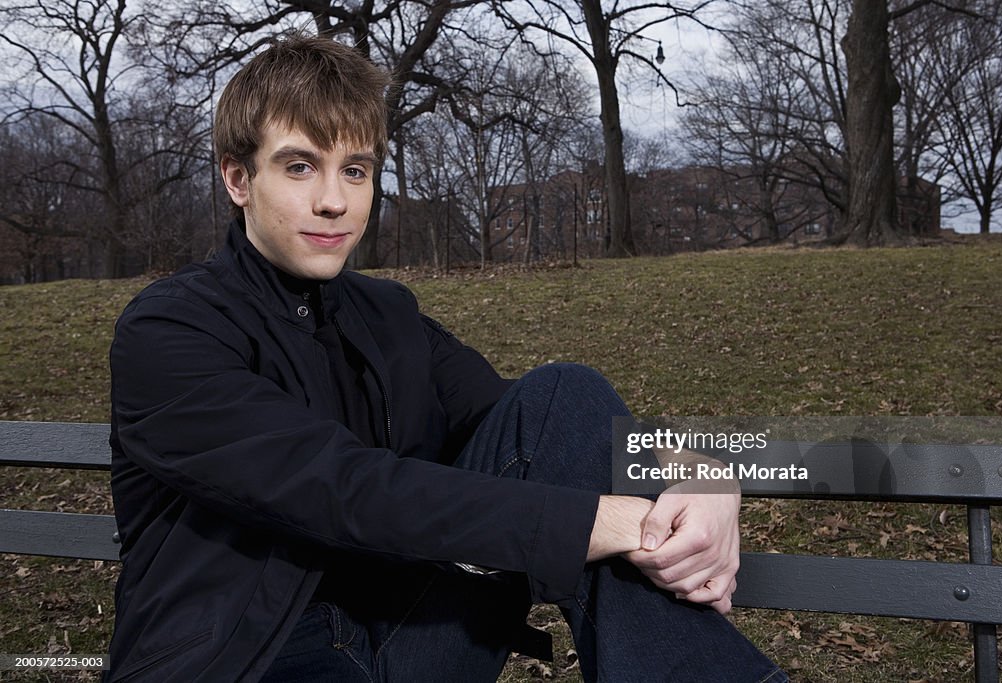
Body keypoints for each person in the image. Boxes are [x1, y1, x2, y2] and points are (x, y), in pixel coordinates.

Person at [105, 33, 786, 683]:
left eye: (356, 170)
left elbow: (545, 428)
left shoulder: (386, 315)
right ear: (237, 179)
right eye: (300, 165)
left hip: (408, 638)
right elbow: (342, 488)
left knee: (564, 392)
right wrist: (613, 521)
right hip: (245, 659)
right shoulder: (169, 330)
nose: (334, 200)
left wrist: (701, 472)